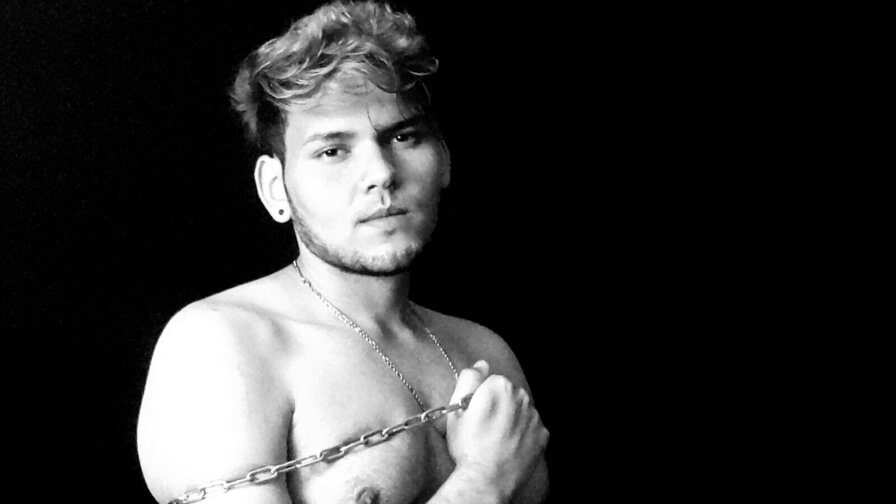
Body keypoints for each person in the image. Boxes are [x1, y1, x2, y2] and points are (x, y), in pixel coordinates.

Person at [136, 1, 549, 503]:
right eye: (333, 151)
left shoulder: (485, 351)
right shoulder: (222, 346)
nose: (381, 173)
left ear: (444, 159)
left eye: (403, 136)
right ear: (274, 189)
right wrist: (485, 478)